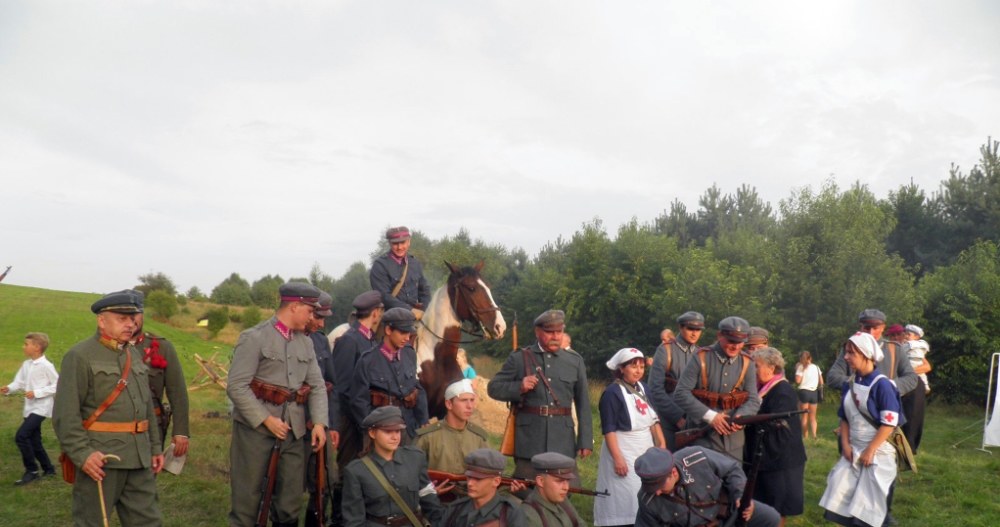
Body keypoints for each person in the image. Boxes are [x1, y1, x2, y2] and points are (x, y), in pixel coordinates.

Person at [52, 290, 164, 526]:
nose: (130, 324)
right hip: (102, 459)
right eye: (122, 319)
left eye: (132, 319)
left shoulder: (133, 354)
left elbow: (146, 407)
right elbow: (65, 415)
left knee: (148, 522)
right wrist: (83, 455)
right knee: (91, 522)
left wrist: (155, 447)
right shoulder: (80, 356)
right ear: (102, 320)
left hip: (139, 458)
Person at [226, 282, 329, 527]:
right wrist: (265, 419)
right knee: (247, 502)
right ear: (294, 306)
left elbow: (316, 385)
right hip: (255, 433)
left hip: (294, 434)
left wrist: (319, 423)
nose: (312, 317)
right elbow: (236, 386)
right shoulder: (255, 338)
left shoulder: (306, 342)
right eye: (310, 310)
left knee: (289, 504)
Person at [824, 309, 917, 525]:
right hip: (855, 426)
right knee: (847, 488)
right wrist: (857, 385)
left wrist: (887, 388)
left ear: (882, 328)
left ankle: (882, 515)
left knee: (880, 491)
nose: (869, 331)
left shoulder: (895, 350)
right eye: (865, 327)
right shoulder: (850, 348)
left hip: (882, 432)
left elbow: (912, 378)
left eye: (874, 327)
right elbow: (833, 377)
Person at [487, 309, 594, 486]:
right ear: (537, 332)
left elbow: (583, 403)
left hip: (562, 440)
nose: (555, 336)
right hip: (530, 441)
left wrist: (585, 440)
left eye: (559, 332)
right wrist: (519, 386)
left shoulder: (574, 361)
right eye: (549, 332)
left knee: (566, 490)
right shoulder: (520, 358)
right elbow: (494, 388)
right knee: (526, 491)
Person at [594, 347, 665, 527]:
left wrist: (662, 445)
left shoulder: (644, 388)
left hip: (645, 448)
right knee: (624, 494)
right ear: (622, 369)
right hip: (622, 449)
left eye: (641, 366)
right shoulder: (612, 393)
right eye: (633, 366)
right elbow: (609, 429)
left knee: (644, 491)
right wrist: (618, 458)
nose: (638, 370)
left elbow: (653, 420)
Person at [674, 316, 761, 460]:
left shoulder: (747, 362)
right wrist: (710, 416)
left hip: (733, 441)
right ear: (719, 336)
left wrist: (742, 416)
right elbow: (681, 393)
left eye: (740, 343)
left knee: (733, 480)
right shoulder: (700, 358)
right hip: (703, 436)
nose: (736, 346)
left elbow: (753, 399)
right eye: (731, 341)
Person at [331, 290, 383, 526]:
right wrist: (362, 421)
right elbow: (341, 387)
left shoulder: (371, 340)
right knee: (347, 472)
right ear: (375, 313)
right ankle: (338, 519)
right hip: (351, 421)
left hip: (366, 417)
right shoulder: (349, 340)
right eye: (380, 312)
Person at [342, 406, 444, 526]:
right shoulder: (356, 471)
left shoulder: (415, 458)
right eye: (388, 431)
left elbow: (429, 498)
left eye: (397, 431)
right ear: (372, 433)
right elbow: (354, 521)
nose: (395, 437)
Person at [633, 446, 780, 527]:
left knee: (771, 518)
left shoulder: (696, 456)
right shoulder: (647, 499)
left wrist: (740, 495)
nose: (657, 492)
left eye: (659, 485)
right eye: (651, 487)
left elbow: (732, 469)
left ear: (673, 472)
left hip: (729, 512)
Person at [745, 347, 806, 526]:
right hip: (768, 459)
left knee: (776, 508)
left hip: (781, 462)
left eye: (756, 366)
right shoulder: (763, 389)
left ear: (771, 369)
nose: (753, 371)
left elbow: (778, 428)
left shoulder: (782, 391)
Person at [349, 307, 429, 442]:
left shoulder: (409, 354)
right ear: (388, 330)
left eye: (409, 333)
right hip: (382, 431)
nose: (407, 338)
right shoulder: (367, 361)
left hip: (409, 429)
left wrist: (423, 421)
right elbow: (359, 402)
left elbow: (417, 389)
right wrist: (372, 432)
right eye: (403, 332)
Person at [3, 332, 59, 485]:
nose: (23, 347)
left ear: (37, 347)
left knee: (21, 436)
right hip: (29, 408)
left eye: (26, 344)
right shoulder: (27, 364)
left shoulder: (46, 366)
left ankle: (32, 470)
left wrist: (37, 393)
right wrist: (8, 388)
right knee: (35, 441)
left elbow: (57, 385)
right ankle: (49, 469)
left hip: (41, 408)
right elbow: (19, 382)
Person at [131, 311, 190, 457]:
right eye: (123, 315)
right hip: (112, 428)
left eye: (135, 314)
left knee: (148, 475)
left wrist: (181, 431)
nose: (130, 321)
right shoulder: (104, 349)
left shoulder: (162, 347)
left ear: (142, 315)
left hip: (151, 428)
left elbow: (177, 391)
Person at [305, 291, 340, 527]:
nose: (321, 323)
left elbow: (331, 384)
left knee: (327, 481)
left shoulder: (320, 340)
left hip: (320, 423)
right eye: (317, 316)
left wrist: (332, 423)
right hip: (290, 424)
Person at [648, 311, 704, 450]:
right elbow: (655, 390)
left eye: (698, 330)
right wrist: (677, 417)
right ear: (680, 327)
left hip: (693, 421)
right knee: (669, 466)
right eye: (690, 328)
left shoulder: (701, 354)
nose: (694, 333)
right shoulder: (665, 350)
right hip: (668, 422)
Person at [415, 379, 489, 474]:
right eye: (464, 400)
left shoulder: (479, 438)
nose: (470, 406)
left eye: (472, 400)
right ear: (449, 404)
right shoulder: (428, 437)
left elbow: (488, 473)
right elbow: (412, 471)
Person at [442, 448, 527, 526]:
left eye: (478, 479)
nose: (470, 483)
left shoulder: (510, 513)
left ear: (496, 481)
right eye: (469, 477)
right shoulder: (455, 509)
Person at [369, 226, 431, 320]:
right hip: (392, 317)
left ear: (409, 242)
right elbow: (384, 296)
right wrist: (410, 310)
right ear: (389, 243)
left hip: (416, 315)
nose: (399, 247)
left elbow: (424, 290)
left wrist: (425, 309)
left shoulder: (415, 263)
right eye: (395, 243)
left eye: (403, 242)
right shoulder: (380, 265)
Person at [520, 452, 586, 527]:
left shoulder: (562, 500)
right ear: (541, 481)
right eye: (559, 481)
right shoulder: (528, 514)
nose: (566, 487)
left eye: (567, 480)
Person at [900, 324, 931, 455]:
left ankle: (909, 445)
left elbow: (926, 367)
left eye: (909, 334)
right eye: (905, 333)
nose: (906, 336)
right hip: (899, 382)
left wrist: (909, 372)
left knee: (912, 415)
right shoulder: (899, 347)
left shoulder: (916, 349)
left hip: (912, 382)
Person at [795, 351, 823, 439]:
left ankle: (805, 436)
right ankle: (814, 435)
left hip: (804, 392)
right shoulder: (816, 367)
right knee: (813, 417)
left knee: (804, 416)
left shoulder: (800, 367)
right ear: (810, 358)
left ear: (800, 358)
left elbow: (798, 381)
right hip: (814, 393)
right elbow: (821, 382)